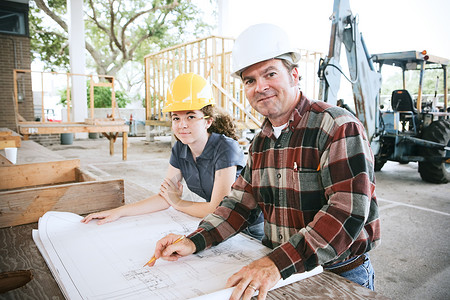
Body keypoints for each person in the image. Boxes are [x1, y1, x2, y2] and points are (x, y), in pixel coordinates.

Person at [148, 23, 381, 300]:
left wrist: (274, 264)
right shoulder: (261, 142)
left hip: (337, 275)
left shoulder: (337, 126)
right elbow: (239, 204)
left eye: (270, 74)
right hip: (282, 271)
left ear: (294, 75)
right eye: (250, 80)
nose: (261, 87)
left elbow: (346, 213)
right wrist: (194, 241)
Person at [81, 73, 264, 241]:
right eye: (176, 118)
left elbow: (217, 208)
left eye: (191, 116)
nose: (182, 125)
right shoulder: (180, 149)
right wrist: (119, 212)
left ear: (208, 121)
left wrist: (176, 201)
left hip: (250, 227)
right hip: (220, 224)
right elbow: (164, 197)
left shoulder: (225, 147)